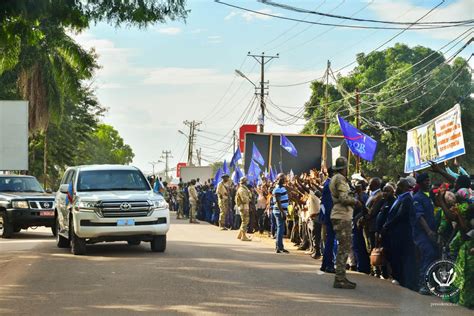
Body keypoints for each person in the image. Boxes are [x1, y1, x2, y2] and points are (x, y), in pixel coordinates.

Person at [383, 178, 417, 291]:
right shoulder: (400, 198)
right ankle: (399, 278)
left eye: (398, 186)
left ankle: (403, 281)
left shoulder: (407, 199)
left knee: (401, 257)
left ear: (403, 187)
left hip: (402, 234)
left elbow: (400, 215)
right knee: (395, 256)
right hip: (395, 234)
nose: (396, 189)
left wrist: (388, 224)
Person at [330, 157, 357, 289]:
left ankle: (341, 277)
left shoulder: (335, 178)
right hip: (342, 215)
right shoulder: (340, 178)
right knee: (344, 247)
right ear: (344, 168)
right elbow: (344, 198)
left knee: (343, 246)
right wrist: (355, 201)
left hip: (338, 214)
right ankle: (340, 278)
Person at [412, 173, 439, 295]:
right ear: (420, 183)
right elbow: (420, 216)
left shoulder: (429, 197)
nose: (428, 183)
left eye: (429, 180)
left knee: (434, 256)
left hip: (432, 233)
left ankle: (431, 283)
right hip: (422, 233)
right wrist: (428, 231)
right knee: (428, 254)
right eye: (425, 181)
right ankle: (423, 283)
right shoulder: (417, 198)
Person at [321, 167, 336, 273]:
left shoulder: (328, 184)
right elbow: (329, 204)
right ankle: (329, 265)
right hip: (331, 216)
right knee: (330, 240)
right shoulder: (330, 185)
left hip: (329, 215)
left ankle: (325, 264)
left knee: (329, 240)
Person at [273, 174, 290, 254]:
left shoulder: (282, 188)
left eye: (283, 178)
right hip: (279, 211)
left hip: (282, 211)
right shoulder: (277, 189)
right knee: (280, 229)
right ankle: (279, 247)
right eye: (281, 178)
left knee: (280, 229)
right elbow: (278, 202)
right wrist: (282, 212)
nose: (283, 180)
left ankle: (279, 246)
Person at [235, 177, 252, 241]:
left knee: (244, 221)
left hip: (244, 206)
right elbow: (244, 199)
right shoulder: (242, 189)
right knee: (245, 221)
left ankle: (240, 235)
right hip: (244, 207)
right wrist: (249, 199)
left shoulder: (243, 188)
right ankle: (243, 236)